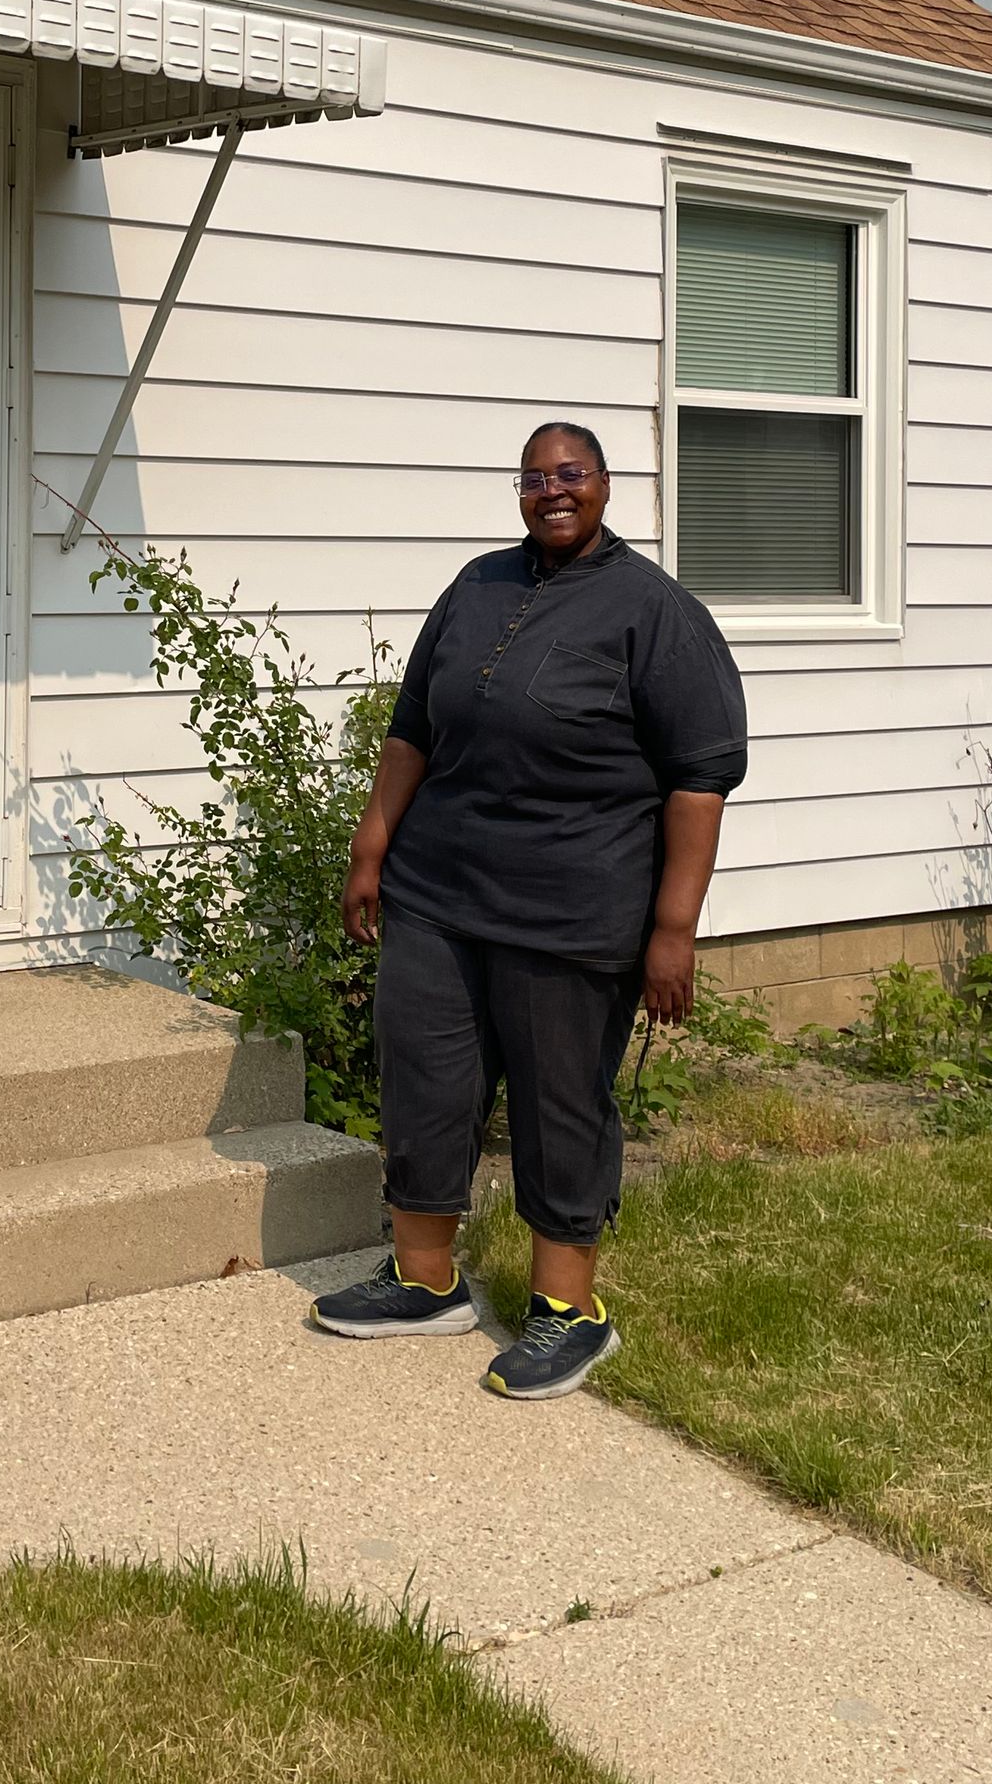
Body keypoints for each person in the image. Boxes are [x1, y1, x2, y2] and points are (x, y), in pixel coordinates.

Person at [311, 419, 747, 1397]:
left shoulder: (654, 613)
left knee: (559, 1103)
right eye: (535, 476)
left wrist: (672, 930)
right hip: (438, 893)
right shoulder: (478, 586)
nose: (553, 490)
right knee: (424, 1081)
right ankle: (425, 1281)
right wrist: (371, 846)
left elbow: (698, 782)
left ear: (604, 485)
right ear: (518, 491)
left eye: (571, 473)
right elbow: (412, 727)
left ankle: (568, 1313)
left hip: (572, 908)